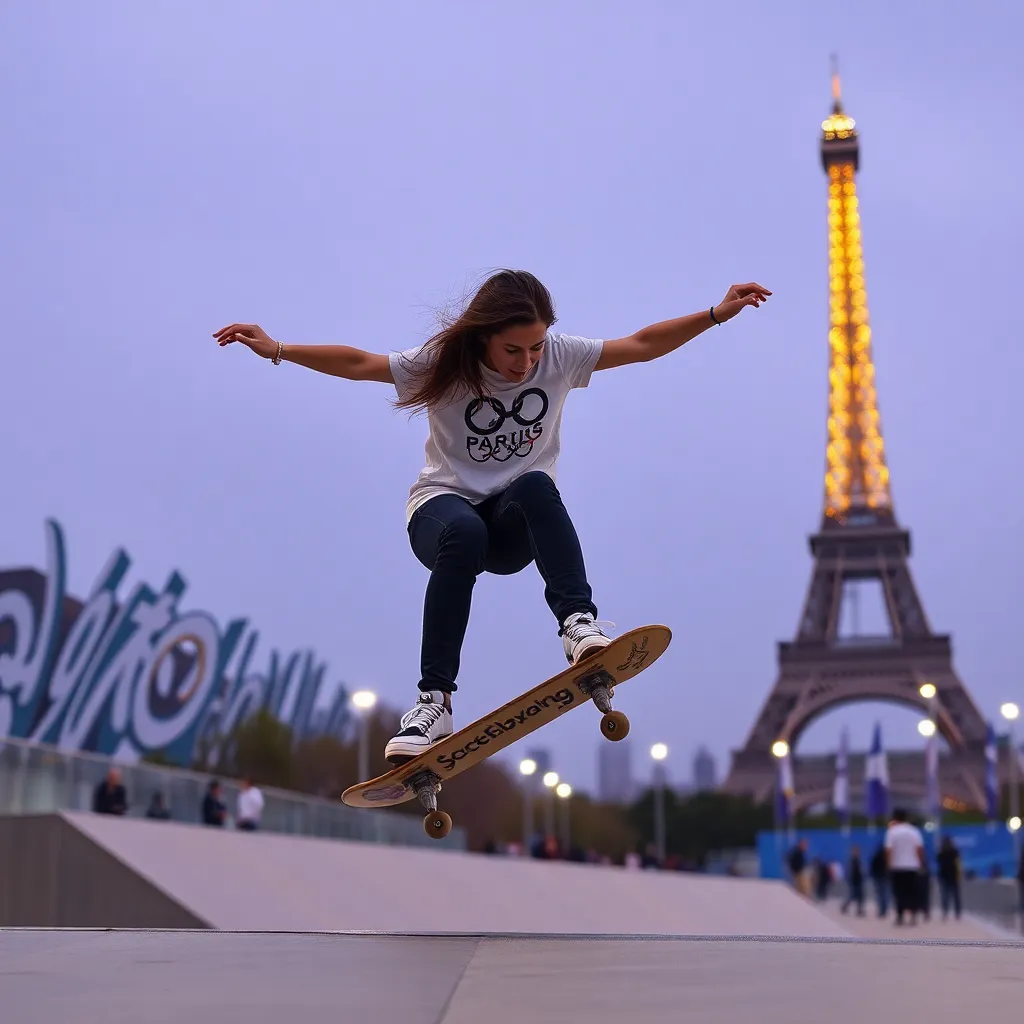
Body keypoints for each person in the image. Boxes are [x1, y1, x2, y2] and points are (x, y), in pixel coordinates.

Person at [213, 270, 770, 762]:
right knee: (463, 529)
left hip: (511, 527)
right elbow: (361, 364)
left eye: (535, 349)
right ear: (483, 336)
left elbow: (643, 344)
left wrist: (717, 313)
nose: (526, 363)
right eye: (512, 351)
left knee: (535, 485)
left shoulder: (560, 356)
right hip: (442, 512)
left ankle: (578, 624)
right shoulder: (441, 364)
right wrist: (278, 347)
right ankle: (434, 703)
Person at [884, 808, 925, 925]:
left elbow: (888, 850)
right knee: (912, 892)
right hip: (912, 866)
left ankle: (900, 916)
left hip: (897, 867)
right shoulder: (913, 831)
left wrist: (888, 865)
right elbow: (919, 849)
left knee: (899, 892)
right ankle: (913, 916)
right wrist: (920, 862)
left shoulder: (892, 832)